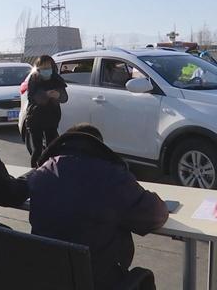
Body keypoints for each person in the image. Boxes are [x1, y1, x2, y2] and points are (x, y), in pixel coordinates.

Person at [27, 123, 168, 290]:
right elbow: (154, 215)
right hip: (101, 282)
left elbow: (15, 189)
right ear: (99, 147)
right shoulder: (111, 177)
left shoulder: (40, 174)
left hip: (50, 279)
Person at [25, 55, 68, 168]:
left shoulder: (56, 79)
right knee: (37, 149)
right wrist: (45, 95)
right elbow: (31, 97)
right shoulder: (33, 79)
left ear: (52, 67)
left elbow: (64, 97)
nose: (46, 70)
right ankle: (34, 172)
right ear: (38, 69)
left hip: (52, 119)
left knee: (52, 148)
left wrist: (58, 95)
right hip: (35, 119)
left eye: (48, 67)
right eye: (43, 68)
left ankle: (50, 171)